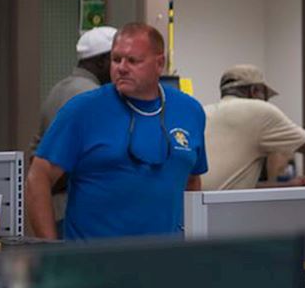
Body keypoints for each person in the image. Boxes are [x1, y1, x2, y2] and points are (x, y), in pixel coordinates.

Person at [27, 23, 210, 240]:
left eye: (133, 60)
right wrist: (52, 253)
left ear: (159, 63)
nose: (122, 68)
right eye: (116, 59)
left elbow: (192, 181)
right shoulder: (83, 110)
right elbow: (38, 178)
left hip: (164, 261)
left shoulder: (190, 111)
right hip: (93, 263)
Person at [202, 64, 305, 190]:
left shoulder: (205, 112)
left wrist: (288, 185)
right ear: (254, 91)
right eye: (265, 95)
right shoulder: (258, 110)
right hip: (221, 217)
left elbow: (232, 186)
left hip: (194, 214)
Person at [37, 26, 115, 146]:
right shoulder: (95, 96)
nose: (122, 67)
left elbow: (37, 147)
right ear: (101, 61)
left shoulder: (57, 90)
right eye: (117, 60)